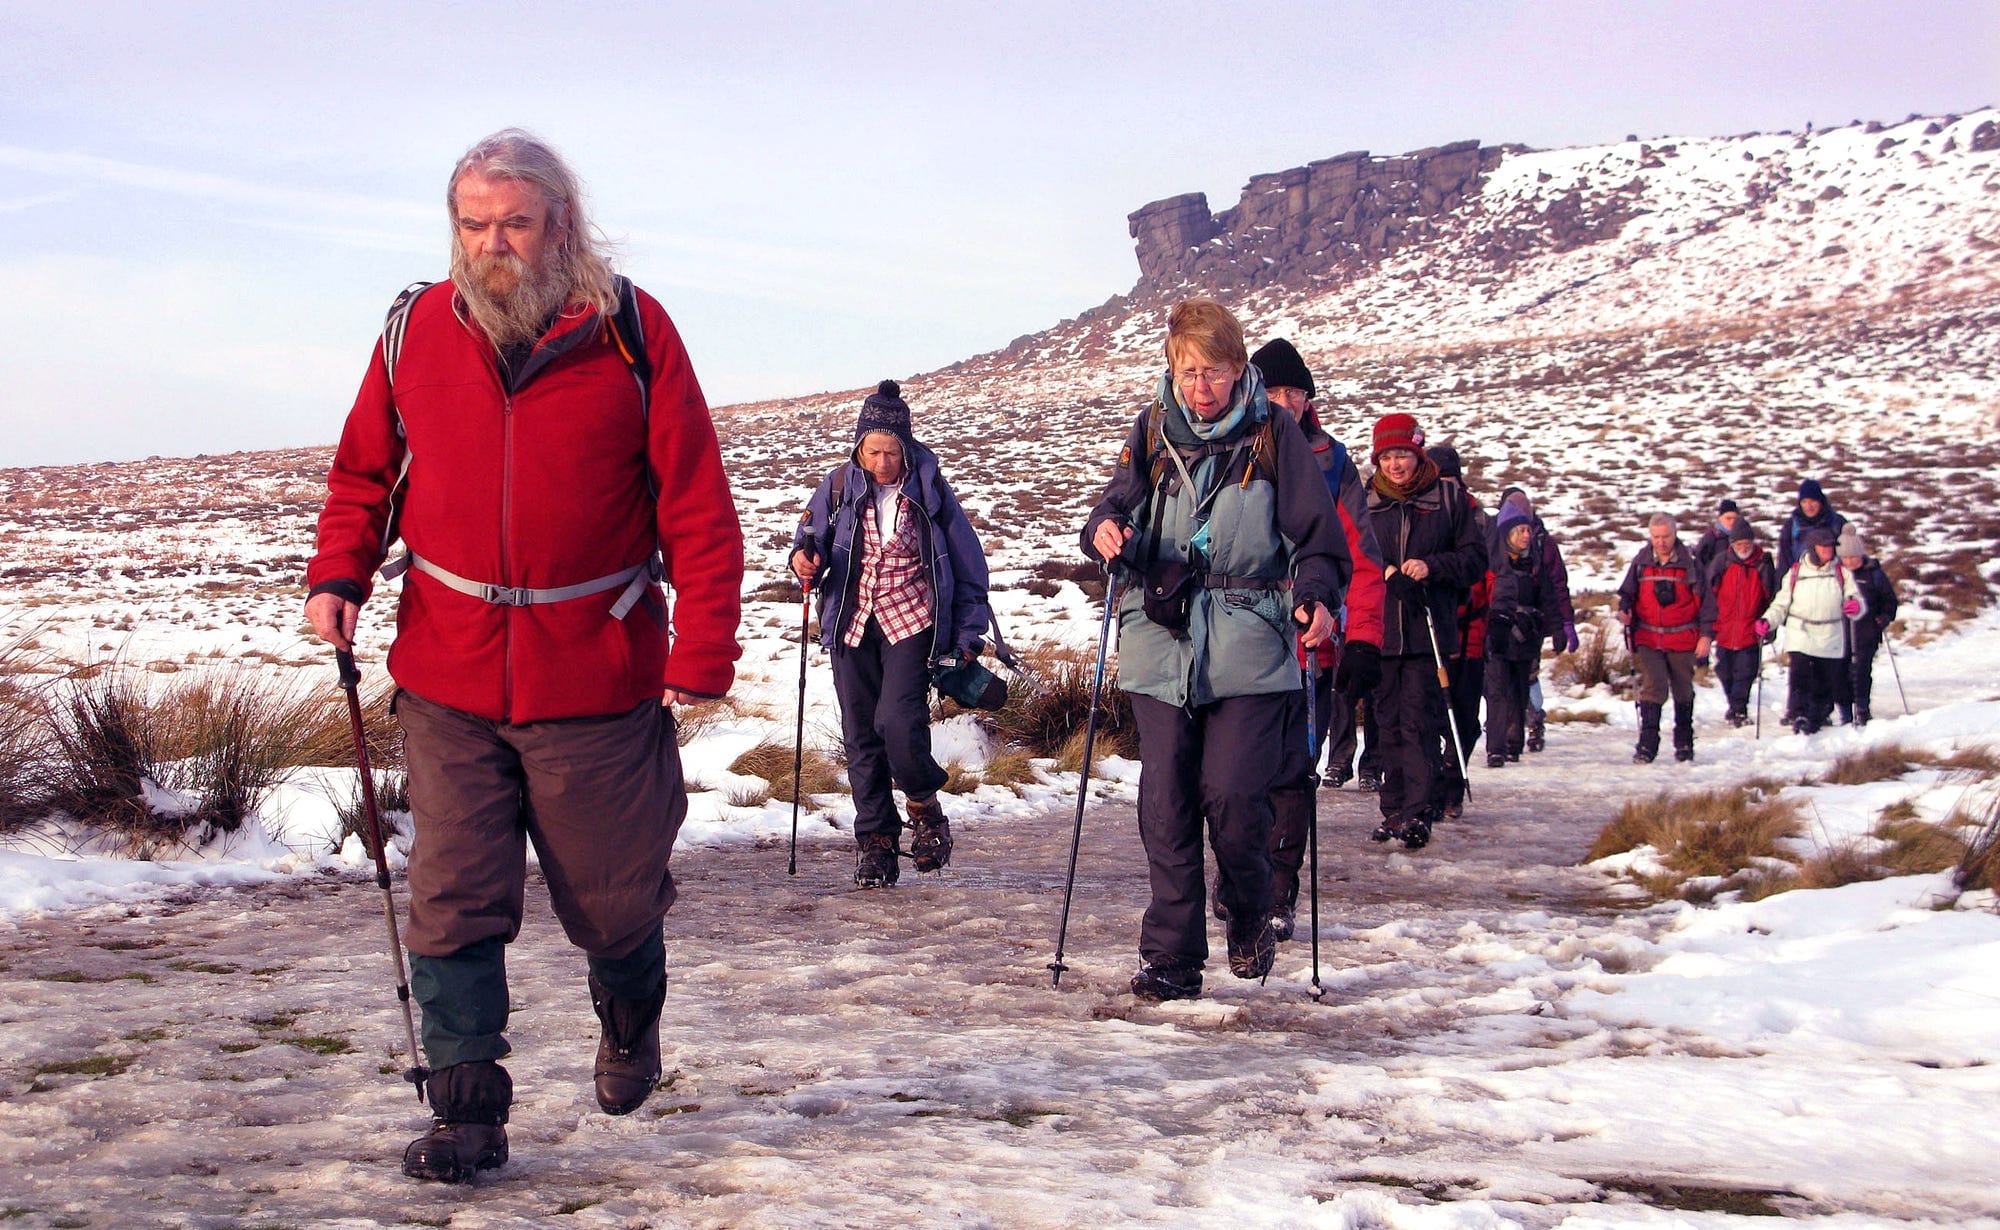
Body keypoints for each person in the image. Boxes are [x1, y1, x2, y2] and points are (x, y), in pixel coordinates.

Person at [306, 130, 744, 1182]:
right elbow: (364, 470)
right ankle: (466, 1110)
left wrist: (706, 646)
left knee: (612, 896)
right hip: (446, 668)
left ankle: (629, 1013)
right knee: (452, 891)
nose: (492, 244)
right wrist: (338, 576)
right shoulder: (414, 330)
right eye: (473, 224)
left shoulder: (632, 332)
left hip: (591, 673)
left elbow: (695, 499)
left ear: (561, 226)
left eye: (514, 222)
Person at [1082, 298, 1347, 1003]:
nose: (1201, 386)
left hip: (1250, 640)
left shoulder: (1275, 436)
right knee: (1165, 804)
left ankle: (1251, 910)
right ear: (1172, 366)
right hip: (1159, 637)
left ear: (1239, 369)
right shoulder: (1149, 430)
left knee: (1233, 795)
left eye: (1216, 371)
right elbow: (1112, 509)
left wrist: (1316, 595)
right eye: (1189, 371)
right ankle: (1171, 956)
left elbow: (1318, 538)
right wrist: (1104, 530)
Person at [790, 381, 993, 887]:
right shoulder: (838, 486)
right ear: (859, 446)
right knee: (860, 734)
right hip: (850, 621)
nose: (882, 462)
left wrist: (969, 634)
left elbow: (968, 568)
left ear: (907, 447)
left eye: (892, 451)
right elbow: (807, 541)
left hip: (911, 619)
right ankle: (876, 842)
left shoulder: (929, 490)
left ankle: (925, 811)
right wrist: (802, 560)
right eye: (873, 451)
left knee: (898, 723)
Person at [1225, 338, 1383, 940]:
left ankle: (1276, 890)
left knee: (1293, 772)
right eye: (1274, 390)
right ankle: (1242, 873)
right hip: (1233, 643)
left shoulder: (1333, 463)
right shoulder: (1225, 446)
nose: (1285, 401)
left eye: (1296, 392)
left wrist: (1363, 637)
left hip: (1305, 646)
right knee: (1237, 775)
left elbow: (1360, 558)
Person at [1361, 415, 1485, 849]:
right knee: (1385, 724)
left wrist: (1432, 567)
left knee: (1417, 722)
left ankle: (1418, 812)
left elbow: (1474, 559)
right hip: (1379, 630)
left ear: (1419, 454)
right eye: (1388, 457)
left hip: (1428, 630)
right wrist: (1385, 571)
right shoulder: (1366, 499)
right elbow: (1351, 554)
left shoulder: (1449, 498)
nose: (1396, 465)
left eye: (1404, 456)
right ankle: (1392, 810)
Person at [1616, 513, 1716, 763]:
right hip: (1649, 639)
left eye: (1666, 537)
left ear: (1675, 534)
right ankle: (1647, 746)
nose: (1661, 542)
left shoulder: (1691, 564)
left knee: (1683, 690)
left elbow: (1707, 604)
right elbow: (1628, 593)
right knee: (1653, 687)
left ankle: (1684, 742)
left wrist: (1706, 636)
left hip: (1683, 638)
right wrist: (1625, 609)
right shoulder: (1640, 563)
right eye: (1656, 537)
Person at [1428, 445, 1489, 818]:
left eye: (1450, 478)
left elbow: (1490, 570)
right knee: (1431, 715)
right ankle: (1433, 787)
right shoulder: (1426, 510)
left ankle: (1453, 778)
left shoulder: (1475, 516)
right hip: (1433, 630)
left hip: (1471, 634)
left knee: (1464, 716)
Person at [1493, 485, 1576, 752]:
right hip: (1501, 626)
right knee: (1501, 680)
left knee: (1527, 677)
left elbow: (1555, 585)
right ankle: (1505, 730)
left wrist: (1563, 623)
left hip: (1531, 628)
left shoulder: (1542, 544)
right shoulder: (1493, 546)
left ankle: (1530, 723)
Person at [1759, 525, 1865, 734]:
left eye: (1831, 547)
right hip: (1801, 632)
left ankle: (1817, 717)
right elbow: (1781, 604)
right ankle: (1799, 715)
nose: (1828, 551)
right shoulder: (1796, 572)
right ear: (1812, 548)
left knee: (1825, 681)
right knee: (1799, 674)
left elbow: (1855, 599)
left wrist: (1855, 606)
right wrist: (1767, 621)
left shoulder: (1841, 573)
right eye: (1823, 547)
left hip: (1831, 634)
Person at [1484, 502, 1561, 767]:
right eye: (1520, 531)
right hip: (1497, 635)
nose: (1526, 536)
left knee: (1519, 691)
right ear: (1506, 534)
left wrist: (1558, 629)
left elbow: (1549, 599)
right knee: (1496, 692)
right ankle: (1495, 747)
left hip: (1527, 639)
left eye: (1528, 530)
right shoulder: (1491, 562)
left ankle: (1513, 744)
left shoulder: (1536, 566)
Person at [1707, 520, 1777, 727]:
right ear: (1732, 544)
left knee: (1745, 673)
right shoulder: (1722, 562)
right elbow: (1709, 594)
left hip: (1751, 629)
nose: (1743, 547)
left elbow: (1771, 596)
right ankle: (1734, 706)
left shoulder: (1762, 563)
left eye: (1747, 543)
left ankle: (1739, 709)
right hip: (1725, 628)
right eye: (1739, 544)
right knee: (1724, 671)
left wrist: (1768, 624)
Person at [1836, 525, 1898, 726]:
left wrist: (1884, 617)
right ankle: (1845, 712)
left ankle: (1862, 708)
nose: (1850, 561)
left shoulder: (1874, 573)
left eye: (1854, 557)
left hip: (1867, 632)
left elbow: (1889, 600)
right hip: (1839, 634)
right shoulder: (1835, 575)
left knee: (1861, 671)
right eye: (1845, 558)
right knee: (1841, 673)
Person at [1774, 479, 1847, 577]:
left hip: (1833, 581)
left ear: (1820, 501)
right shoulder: (1791, 526)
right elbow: (1784, 562)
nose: (1808, 506)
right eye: (1804, 502)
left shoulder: (1837, 522)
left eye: (1813, 501)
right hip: (1802, 583)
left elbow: (1849, 557)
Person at [1694, 499, 1744, 571]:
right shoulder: (1711, 537)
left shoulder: (1743, 537)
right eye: (1728, 518)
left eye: (1735, 519)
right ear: (1720, 518)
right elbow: (1700, 563)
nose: (1732, 522)